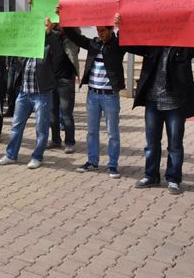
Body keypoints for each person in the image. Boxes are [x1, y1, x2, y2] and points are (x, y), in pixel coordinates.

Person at [115, 14, 194, 195]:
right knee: (152, 143)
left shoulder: (186, 46)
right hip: (153, 102)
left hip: (175, 104)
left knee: (175, 145)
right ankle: (151, 175)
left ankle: (173, 179)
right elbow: (129, 43)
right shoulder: (152, 43)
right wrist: (122, 26)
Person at [0, 18, 62, 169]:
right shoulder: (26, 46)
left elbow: (59, 55)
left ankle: (37, 156)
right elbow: (11, 48)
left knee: (41, 127)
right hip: (24, 92)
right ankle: (11, 155)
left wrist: (49, 33)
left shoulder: (49, 44)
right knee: (16, 125)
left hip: (42, 93)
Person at [64, 21, 127, 179]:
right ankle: (92, 161)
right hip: (92, 95)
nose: (100, 33)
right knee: (92, 131)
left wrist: (123, 23)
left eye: (103, 31)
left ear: (111, 29)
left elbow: (126, 36)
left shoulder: (118, 44)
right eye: (98, 31)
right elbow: (75, 37)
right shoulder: (93, 44)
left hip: (110, 96)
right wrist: (64, 19)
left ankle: (113, 165)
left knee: (112, 132)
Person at [48, 25, 80, 154]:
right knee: (52, 112)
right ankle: (55, 140)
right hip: (52, 80)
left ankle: (70, 142)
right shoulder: (53, 37)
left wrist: (68, 28)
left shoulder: (72, 40)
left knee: (66, 113)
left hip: (66, 81)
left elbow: (76, 43)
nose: (59, 26)